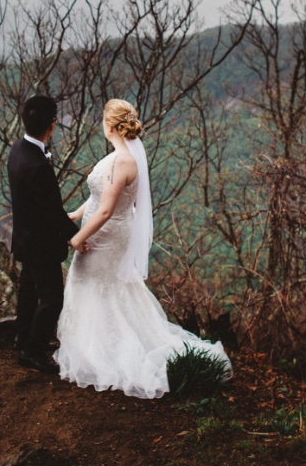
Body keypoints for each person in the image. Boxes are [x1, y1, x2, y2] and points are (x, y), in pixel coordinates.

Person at [55, 99, 231, 398]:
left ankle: (104, 351)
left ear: (109, 125)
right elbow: (100, 195)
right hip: (109, 229)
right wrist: (74, 214)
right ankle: (93, 342)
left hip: (107, 234)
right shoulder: (119, 157)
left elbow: (107, 209)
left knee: (93, 283)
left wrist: (77, 236)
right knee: (108, 287)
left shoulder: (121, 161)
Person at [7, 95, 82, 374]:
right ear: (51, 126)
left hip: (25, 238)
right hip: (41, 244)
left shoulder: (18, 150)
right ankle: (33, 350)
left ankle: (22, 337)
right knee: (52, 298)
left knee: (28, 291)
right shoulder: (37, 165)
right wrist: (76, 237)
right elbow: (52, 212)